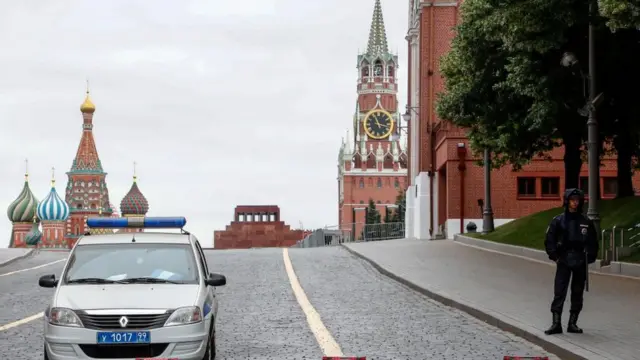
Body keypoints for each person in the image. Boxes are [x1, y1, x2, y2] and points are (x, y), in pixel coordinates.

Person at [544, 188, 598, 335]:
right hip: (564, 259)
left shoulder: (586, 221)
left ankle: (572, 323)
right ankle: (556, 323)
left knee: (577, 292)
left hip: (580, 260)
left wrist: (590, 257)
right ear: (567, 201)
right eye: (572, 200)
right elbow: (550, 240)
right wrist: (555, 256)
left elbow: (593, 242)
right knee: (559, 292)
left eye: (577, 200)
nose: (575, 202)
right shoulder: (558, 220)